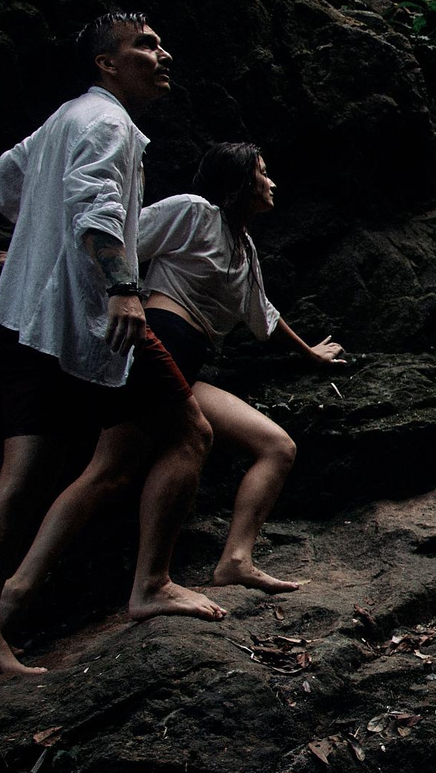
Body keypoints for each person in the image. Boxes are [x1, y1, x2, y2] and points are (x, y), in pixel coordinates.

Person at [0, 12, 220, 676]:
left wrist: (40, 234)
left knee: (21, 474)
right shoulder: (109, 124)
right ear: (107, 62)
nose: (163, 53)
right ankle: (150, 585)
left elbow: (0, 183)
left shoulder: (64, 118)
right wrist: (123, 287)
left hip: (20, 314)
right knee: (190, 433)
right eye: (146, 45)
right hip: (88, 314)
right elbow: (97, 202)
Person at [136, 142, 347, 592]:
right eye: (263, 172)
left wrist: (309, 353)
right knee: (112, 470)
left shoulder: (244, 247)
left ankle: (235, 561)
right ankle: (143, 585)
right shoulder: (192, 212)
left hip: (187, 365)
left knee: (277, 446)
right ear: (238, 180)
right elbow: (117, 243)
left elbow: (262, 315)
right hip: (157, 343)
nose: (271, 182)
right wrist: (40, 260)